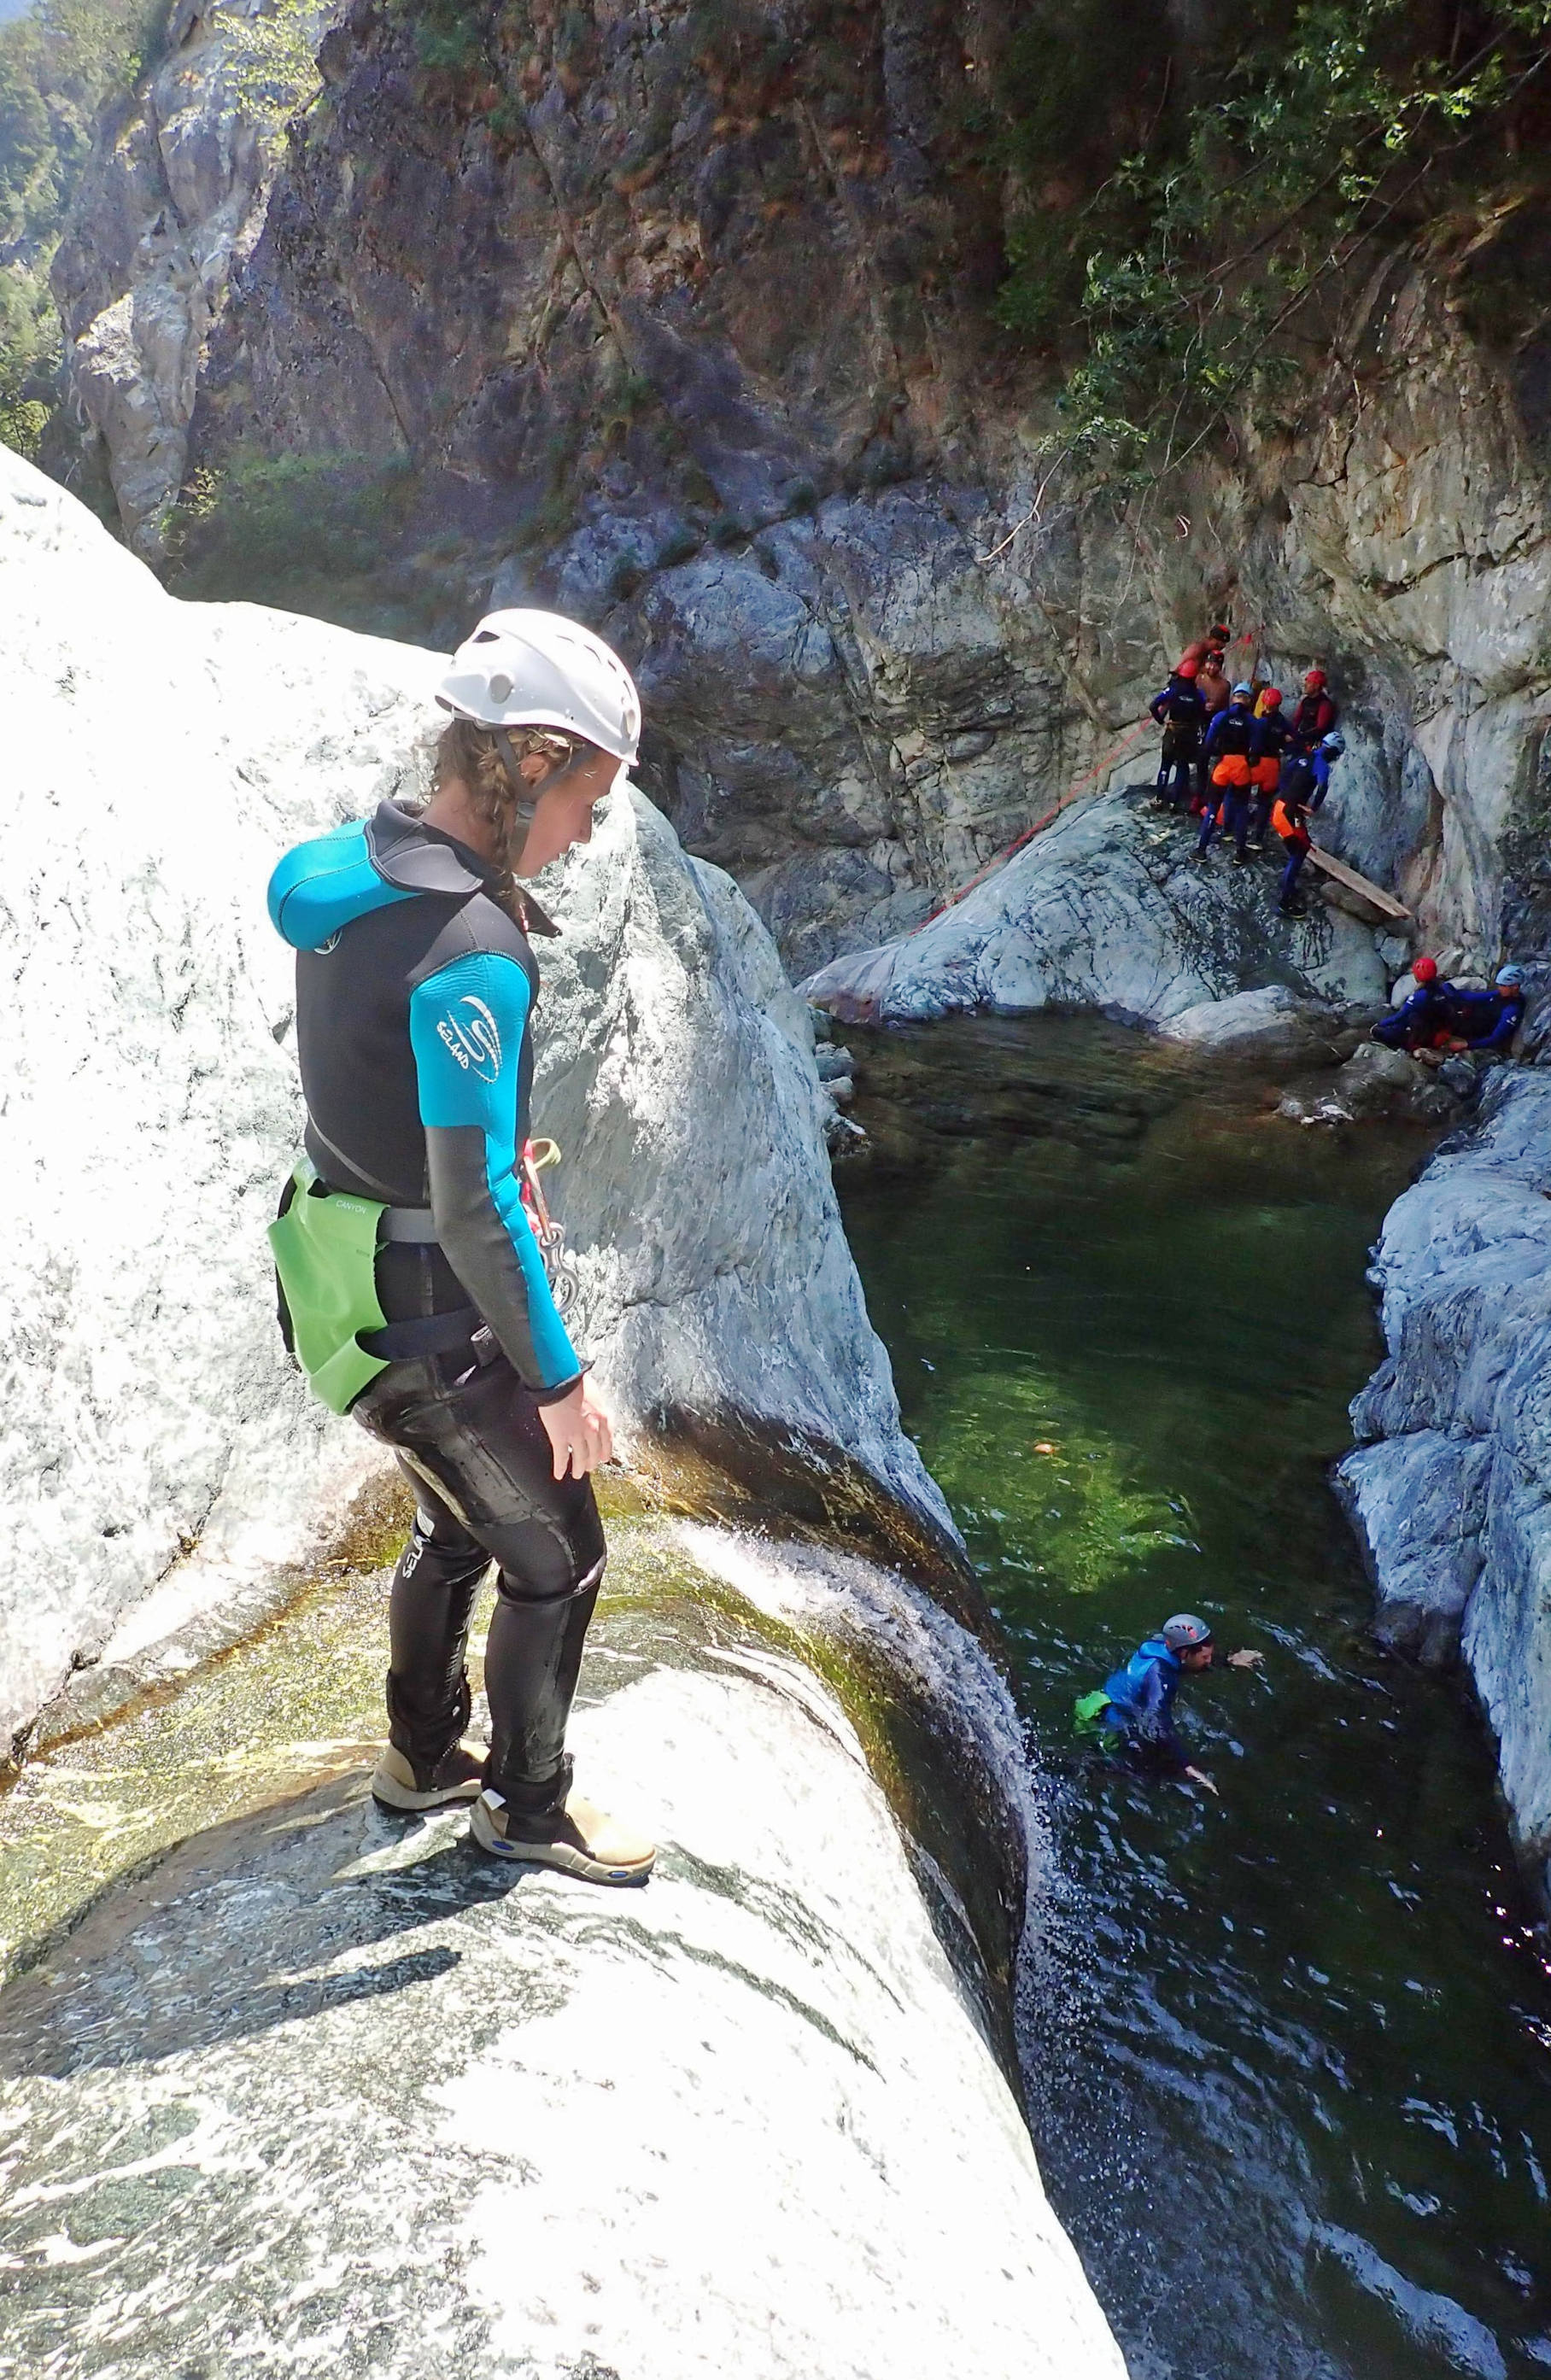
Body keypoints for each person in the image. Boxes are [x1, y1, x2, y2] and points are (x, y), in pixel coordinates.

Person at [266, 608, 656, 1885]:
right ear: (533, 760)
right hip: (430, 1317)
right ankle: (528, 1805)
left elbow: (387, 1089)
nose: (585, 835)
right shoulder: (475, 952)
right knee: (562, 1555)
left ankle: (422, 1755)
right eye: (586, 800)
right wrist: (559, 1378)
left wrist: (472, 1166)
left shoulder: (342, 868)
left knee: (458, 1529)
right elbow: (478, 1200)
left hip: (338, 1278)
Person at [1074, 1615, 1264, 1792]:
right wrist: (1186, 1766)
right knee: (1153, 1776)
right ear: (1184, 1653)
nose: (1209, 1661)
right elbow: (1156, 1723)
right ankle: (1093, 1774)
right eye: (1205, 1657)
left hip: (1101, 1700)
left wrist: (1230, 1660)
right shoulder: (1160, 1677)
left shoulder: (1160, 1645)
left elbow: (1191, 1663)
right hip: (1109, 1724)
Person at [1415, 964, 1528, 1064]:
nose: (1500, 988)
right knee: (1445, 998)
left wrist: (1467, 1045)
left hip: (1473, 1029)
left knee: (1435, 1018)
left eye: (1503, 986)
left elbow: (1495, 1038)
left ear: (1515, 987)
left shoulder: (1512, 1009)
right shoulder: (1501, 995)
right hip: (1469, 1016)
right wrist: (1453, 993)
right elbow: (1475, 998)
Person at [1197, 682, 1258, 860]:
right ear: (1248, 701)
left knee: (1213, 807)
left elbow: (1208, 744)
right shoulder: (1252, 721)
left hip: (1223, 766)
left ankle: (1201, 850)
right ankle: (1240, 852)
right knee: (1241, 809)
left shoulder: (1221, 717)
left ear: (1233, 698)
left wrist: (1216, 754)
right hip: (1241, 767)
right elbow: (1256, 749)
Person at [1150, 658, 1208, 807]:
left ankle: (1159, 798)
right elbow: (1203, 712)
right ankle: (1175, 802)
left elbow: (1154, 705)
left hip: (1173, 731)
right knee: (1182, 765)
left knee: (1166, 765)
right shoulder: (1199, 694)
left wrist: (1161, 721)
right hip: (1189, 733)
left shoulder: (1173, 690)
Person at [1371, 954, 1451, 1050]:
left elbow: (1399, 1017)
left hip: (1425, 1038)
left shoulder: (1419, 996)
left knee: (1378, 1031)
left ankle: (1410, 1046)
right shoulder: (1444, 987)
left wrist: (1380, 1024)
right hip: (1441, 1032)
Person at [1246, 685, 1291, 852]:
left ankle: (1234, 829)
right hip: (1274, 765)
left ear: (1264, 703)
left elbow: (1255, 745)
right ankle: (1258, 838)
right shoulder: (1284, 723)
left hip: (1259, 763)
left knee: (1239, 792)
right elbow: (1292, 739)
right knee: (1265, 802)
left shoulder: (1261, 723)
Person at [1288, 669, 1338, 755]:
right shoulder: (1306, 701)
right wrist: (1291, 733)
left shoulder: (1324, 704)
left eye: (1309, 683)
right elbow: (1296, 720)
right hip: (1303, 739)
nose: (1305, 685)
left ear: (1316, 686)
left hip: (1314, 743)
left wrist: (1298, 737)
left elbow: (1320, 729)